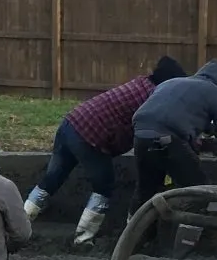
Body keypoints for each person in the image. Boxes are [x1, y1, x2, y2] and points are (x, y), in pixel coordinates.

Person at [23, 56, 186, 245]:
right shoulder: (154, 98)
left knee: (52, 178)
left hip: (70, 123)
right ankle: (83, 239)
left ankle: (20, 226)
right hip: (89, 137)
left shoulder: (139, 84)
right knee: (104, 185)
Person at [129, 58, 217, 210]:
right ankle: (186, 231)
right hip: (168, 138)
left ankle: (133, 231)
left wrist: (209, 130)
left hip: (141, 134)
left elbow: (171, 111)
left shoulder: (171, 83)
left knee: (146, 191)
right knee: (199, 192)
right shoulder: (216, 93)